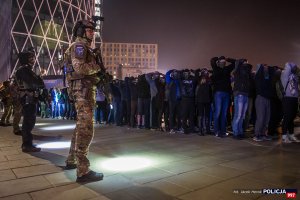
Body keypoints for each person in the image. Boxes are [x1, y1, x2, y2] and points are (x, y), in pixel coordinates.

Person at [64, 19, 104, 183]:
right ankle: (83, 171)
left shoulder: (84, 47)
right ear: (81, 31)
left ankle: (72, 160)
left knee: (80, 125)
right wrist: (98, 68)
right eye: (88, 30)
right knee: (86, 127)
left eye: (92, 30)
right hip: (82, 90)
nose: (92, 32)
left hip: (83, 89)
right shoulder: (79, 47)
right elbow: (80, 67)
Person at [15, 48, 45, 152]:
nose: (33, 60)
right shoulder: (24, 70)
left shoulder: (26, 70)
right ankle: (26, 145)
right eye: (31, 58)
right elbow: (35, 83)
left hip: (29, 98)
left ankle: (28, 143)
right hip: (28, 98)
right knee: (28, 122)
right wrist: (39, 79)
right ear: (25, 59)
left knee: (29, 121)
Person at [211, 56, 235, 138]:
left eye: (224, 61)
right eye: (222, 61)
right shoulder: (216, 69)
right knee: (217, 112)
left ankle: (223, 131)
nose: (223, 62)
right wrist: (217, 58)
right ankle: (216, 131)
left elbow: (235, 63)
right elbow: (212, 60)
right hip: (218, 93)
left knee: (224, 114)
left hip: (227, 93)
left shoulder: (227, 69)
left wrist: (229, 59)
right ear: (219, 62)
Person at [280, 62, 300, 143]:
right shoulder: (285, 76)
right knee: (287, 117)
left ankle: (291, 135)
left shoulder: (295, 77)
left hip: (294, 99)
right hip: (287, 98)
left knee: (292, 117)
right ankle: (284, 136)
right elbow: (288, 66)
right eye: (294, 67)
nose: (295, 68)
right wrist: (291, 65)